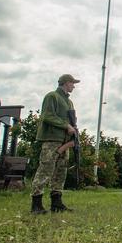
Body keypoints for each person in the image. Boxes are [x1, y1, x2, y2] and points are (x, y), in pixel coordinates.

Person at [31, 74, 79, 214]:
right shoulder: (52, 96)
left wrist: (73, 130)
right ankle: (36, 204)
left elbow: (71, 121)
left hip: (65, 141)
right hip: (52, 139)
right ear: (65, 83)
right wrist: (66, 126)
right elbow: (47, 116)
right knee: (45, 170)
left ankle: (56, 203)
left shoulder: (69, 102)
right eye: (72, 83)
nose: (74, 86)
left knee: (60, 172)